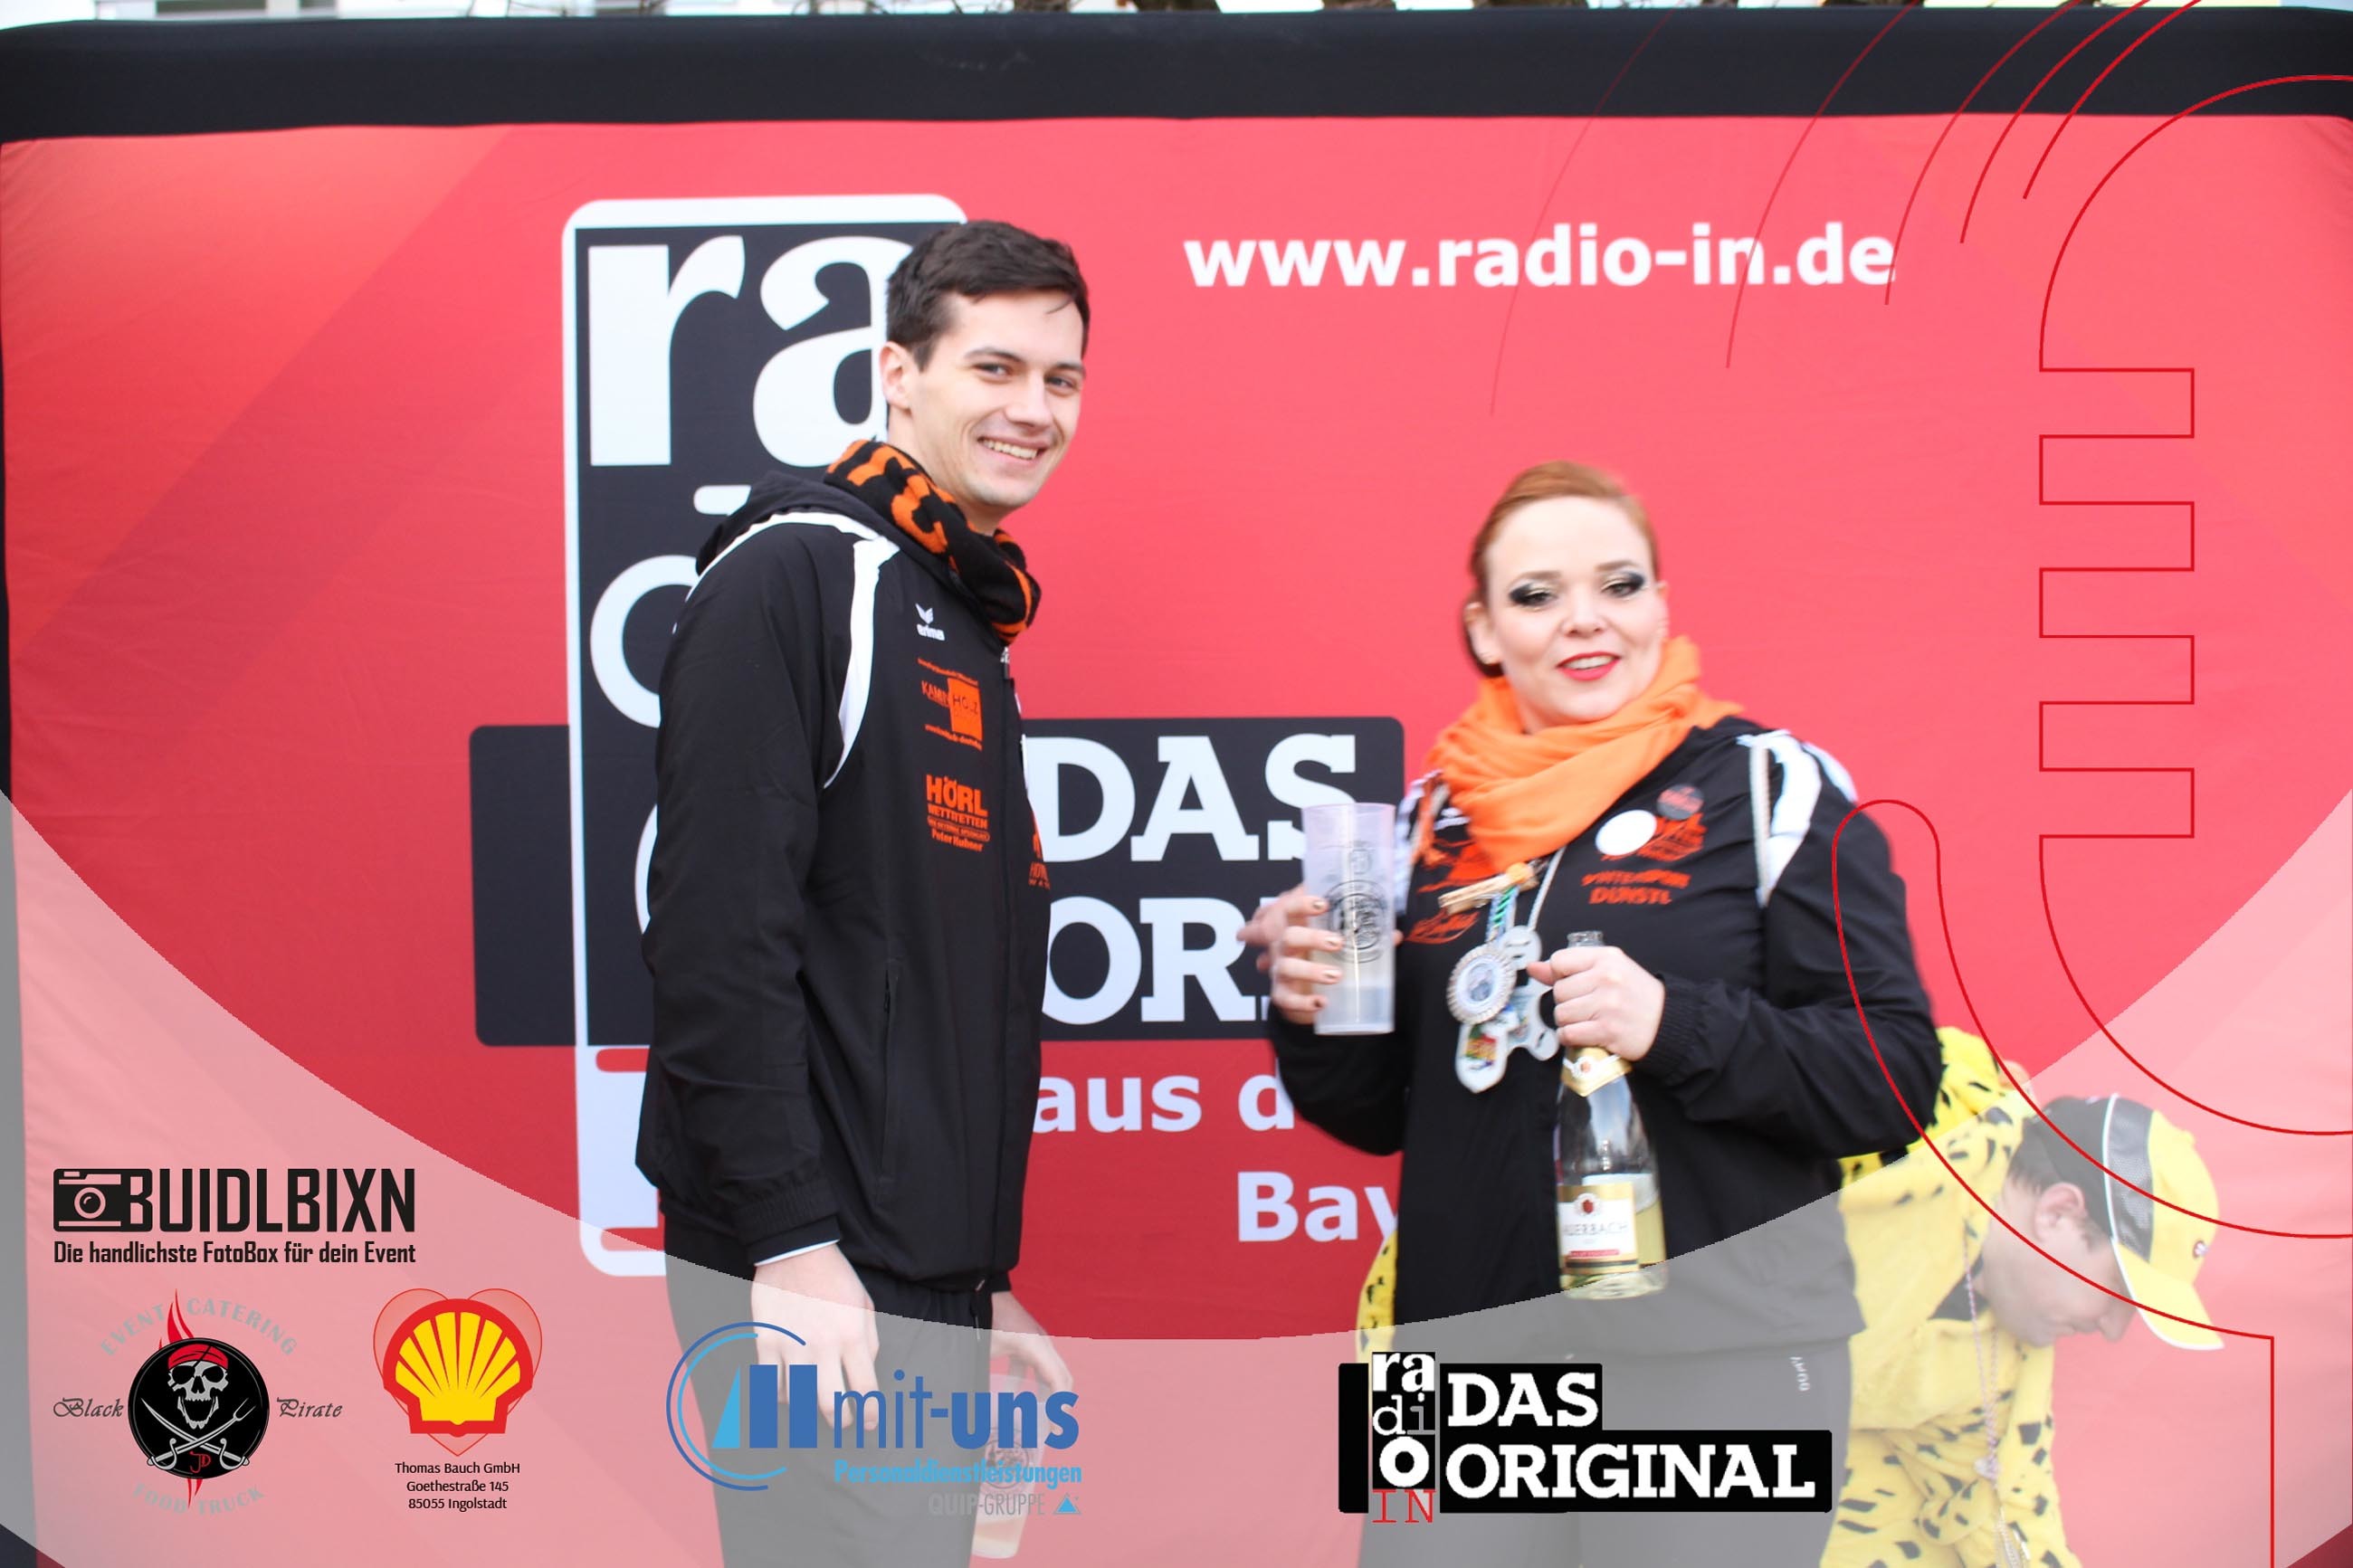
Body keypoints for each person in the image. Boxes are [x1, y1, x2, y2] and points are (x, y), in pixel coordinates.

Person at [1240, 459, 1945, 1566]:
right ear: (1482, 629)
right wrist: (1304, 1002)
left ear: (1660, 604)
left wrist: (1672, 1023)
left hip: (1711, 1363)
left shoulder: (1772, 786)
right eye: (1536, 594)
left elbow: (1891, 1079)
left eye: (1618, 584)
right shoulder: (1423, 822)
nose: (1584, 619)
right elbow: (1372, 1112)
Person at [638, 219, 1084, 1566]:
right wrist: (789, 1245)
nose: (1031, 408)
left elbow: (918, 989)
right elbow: (714, 938)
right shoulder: (797, 572)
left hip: (906, 1275)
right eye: (993, 368)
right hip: (811, 1272)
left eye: (1060, 378)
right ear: (899, 373)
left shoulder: (957, 608)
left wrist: (975, 1287)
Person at [1829, 1055, 2222, 1568]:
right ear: (2058, 1212)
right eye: (2119, 1293)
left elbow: (2006, 1502)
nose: (2111, 1329)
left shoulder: (2007, 1345)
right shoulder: (1871, 1112)